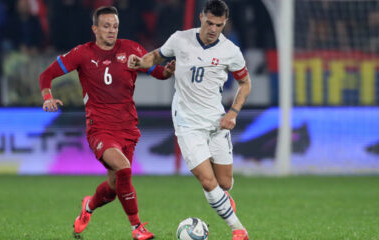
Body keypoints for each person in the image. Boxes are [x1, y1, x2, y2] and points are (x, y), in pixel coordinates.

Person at [39, 6, 175, 240]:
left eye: (115, 26)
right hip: (100, 128)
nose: (111, 31)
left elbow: (157, 73)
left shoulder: (132, 49)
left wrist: (168, 71)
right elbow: (46, 75)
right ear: (95, 29)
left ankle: (88, 206)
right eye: (106, 26)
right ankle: (137, 227)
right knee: (124, 168)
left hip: (128, 128)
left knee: (114, 189)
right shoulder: (82, 54)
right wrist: (48, 96)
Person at [128, 1, 251, 239]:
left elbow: (246, 83)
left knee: (224, 184)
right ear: (201, 17)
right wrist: (140, 62)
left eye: (219, 24)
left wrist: (233, 113)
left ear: (224, 23)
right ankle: (239, 229)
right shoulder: (180, 39)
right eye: (209, 23)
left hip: (216, 121)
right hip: (187, 122)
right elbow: (156, 56)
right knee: (207, 181)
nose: (213, 29)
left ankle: (222, 200)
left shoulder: (230, 51)